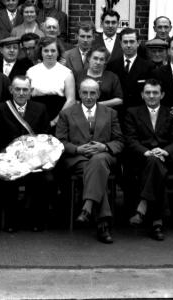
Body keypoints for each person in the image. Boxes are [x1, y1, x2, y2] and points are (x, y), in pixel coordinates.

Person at [56, 79, 123, 244]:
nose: (88, 96)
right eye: (84, 92)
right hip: (77, 159)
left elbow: (120, 141)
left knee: (98, 160)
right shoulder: (66, 113)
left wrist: (104, 146)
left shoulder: (110, 113)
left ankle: (87, 206)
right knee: (95, 168)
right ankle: (102, 223)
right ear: (79, 93)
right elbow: (59, 141)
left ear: (98, 94)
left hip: (104, 157)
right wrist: (77, 149)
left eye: (92, 93)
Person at [0, 75, 52, 232]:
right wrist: (12, 156)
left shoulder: (40, 108)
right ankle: (11, 220)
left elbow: (45, 136)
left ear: (30, 91)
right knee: (7, 177)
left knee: (45, 179)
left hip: (33, 158)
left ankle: (36, 219)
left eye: (25, 89)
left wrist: (33, 155)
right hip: (10, 158)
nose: (21, 93)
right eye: (17, 89)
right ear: (11, 90)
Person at [122, 79, 173, 241]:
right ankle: (157, 221)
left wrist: (164, 151)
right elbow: (130, 139)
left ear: (162, 95)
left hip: (164, 158)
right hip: (141, 160)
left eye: (155, 93)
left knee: (156, 164)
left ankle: (143, 205)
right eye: (147, 92)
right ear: (142, 95)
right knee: (154, 165)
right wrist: (146, 152)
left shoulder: (171, 113)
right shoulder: (132, 112)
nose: (151, 96)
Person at [26, 36, 76, 130]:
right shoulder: (31, 72)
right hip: (35, 118)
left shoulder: (66, 73)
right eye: (46, 50)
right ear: (41, 52)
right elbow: (27, 98)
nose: (49, 54)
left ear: (58, 52)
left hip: (59, 118)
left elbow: (71, 100)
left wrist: (54, 122)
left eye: (53, 51)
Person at [107, 28, 155, 110]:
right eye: (125, 42)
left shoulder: (149, 66)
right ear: (120, 43)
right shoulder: (112, 65)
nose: (128, 45)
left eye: (132, 41)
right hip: (117, 112)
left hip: (138, 113)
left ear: (138, 43)